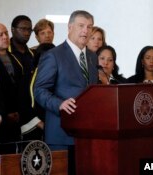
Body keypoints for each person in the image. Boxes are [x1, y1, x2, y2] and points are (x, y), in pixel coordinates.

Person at [34, 10, 98, 175]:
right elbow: (39, 90)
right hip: (61, 135)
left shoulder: (92, 57)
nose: (85, 30)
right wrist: (60, 103)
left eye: (89, 27)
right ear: (70, 27)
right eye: (81, 26)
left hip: (86, 135)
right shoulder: (53, 55)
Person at [0, 22, 24, 153]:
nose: (5, 37)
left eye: (6, 33)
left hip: (17, 117)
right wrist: (4, 114)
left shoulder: (15, 58)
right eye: (0, 35)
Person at [9, 15, 39, 142]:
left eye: (29, 30)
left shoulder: (33, 55)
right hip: (11, 113)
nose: (27, 33)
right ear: (13, 29)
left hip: (31, 114)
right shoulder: (5, 53)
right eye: (23, 29)